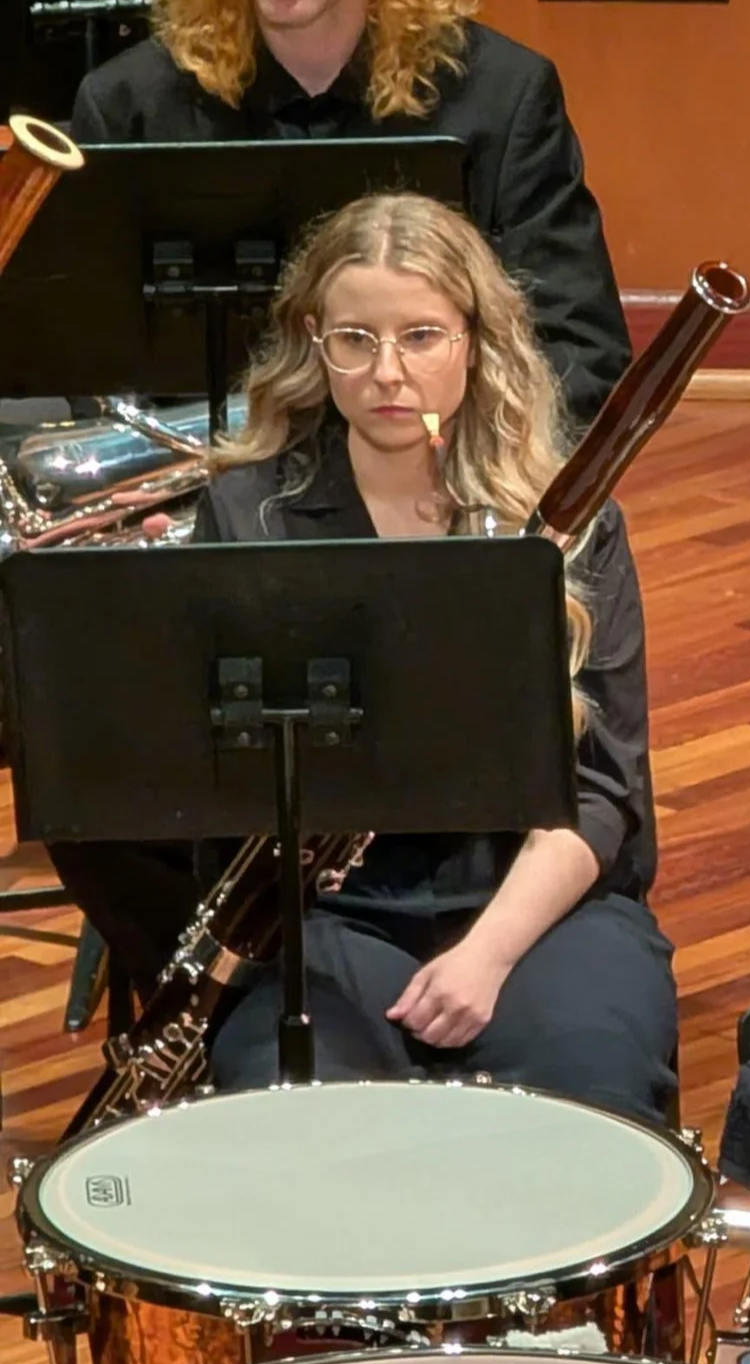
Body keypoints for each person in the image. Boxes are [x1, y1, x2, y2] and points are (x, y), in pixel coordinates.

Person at [189, 189, 674, 1126]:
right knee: (295, 1123)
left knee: (585, 1103)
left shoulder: (567, 521)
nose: (387, 373)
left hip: (538, 902)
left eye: (420, 336)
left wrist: (488, 954)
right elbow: (218, 784)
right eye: (355, 340)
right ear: (312, 343)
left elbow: (606, 791)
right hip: (327, 913)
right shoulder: (251, 517)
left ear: (474, 342)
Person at [72, 0, 629, 426]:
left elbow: (580, 351)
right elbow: (87, 361)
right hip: (203, 497)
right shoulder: (129, 105)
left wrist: (449, 451)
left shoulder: (503, 96)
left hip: (439, 488)